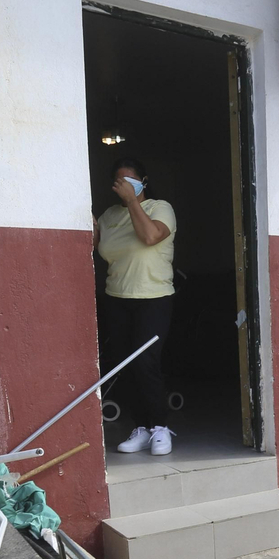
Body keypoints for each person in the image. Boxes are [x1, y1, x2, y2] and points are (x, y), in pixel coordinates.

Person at [95, 157, 177, 456]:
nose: (126, 184)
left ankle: (160, 428)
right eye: (120, 180)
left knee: (146, 364)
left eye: (132, 179)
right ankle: (141, 427)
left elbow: (150, 236)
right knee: (124, 365)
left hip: (153, 298)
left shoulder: (160, 208)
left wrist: (133, 202)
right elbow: (98, 247)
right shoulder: (108, 216)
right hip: (117, 297)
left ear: (143, 180)